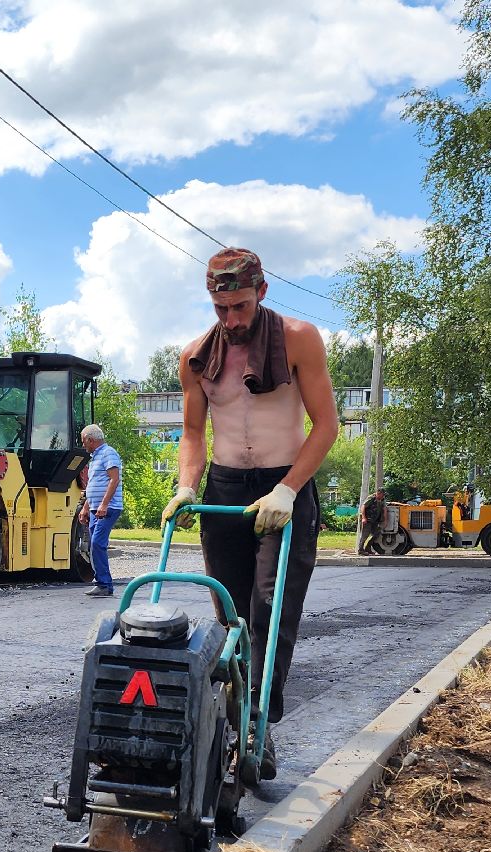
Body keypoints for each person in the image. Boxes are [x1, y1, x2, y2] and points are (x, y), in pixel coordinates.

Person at [161, 247, 339, 781]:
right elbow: (193, 434)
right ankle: (232, 719)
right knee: (230, 615)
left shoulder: (299, 339)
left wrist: (287, 490)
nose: (232, 320)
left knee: (270, 610)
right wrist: (187, 486)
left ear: (262, 292)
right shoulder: (196, 356)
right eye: (221, 309)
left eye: (240, 306)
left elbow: (325, 425)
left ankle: (260, 727)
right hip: (225, 489)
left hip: (284, 487)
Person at [78, 423, 124, 598]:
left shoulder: (108, 453)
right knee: (94, 544)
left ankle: (103, 584)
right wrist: (85, 507)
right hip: (95, 508)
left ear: (91, 440)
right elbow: (93, 486)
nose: (83, 445)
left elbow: (114, 480)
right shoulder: (95, 458)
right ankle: (103, 584)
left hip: (108, 508)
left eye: (84, 441)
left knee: (97, 543)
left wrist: (104, 504)